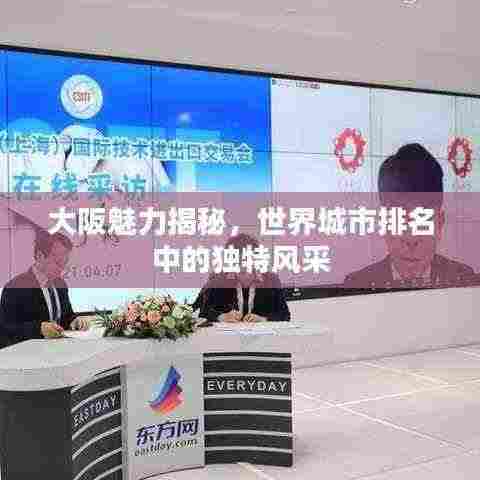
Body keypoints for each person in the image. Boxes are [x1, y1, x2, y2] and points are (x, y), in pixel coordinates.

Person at [344, 143, 474, 289]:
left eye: (422, 223)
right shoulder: (356, 285)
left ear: (439, 224)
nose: (411, 240)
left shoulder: (464, 279)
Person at [0, 231, 88, 348]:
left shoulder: (60, 284)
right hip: (29, 354)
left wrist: (74, 321)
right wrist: (39, 329)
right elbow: (5, 329)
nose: (63, 268)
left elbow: (66, 316)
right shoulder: (15, 288)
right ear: (39, 256)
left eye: (65, 262)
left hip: (60, 350)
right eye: (58, 262)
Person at [194, 234, 291, 322]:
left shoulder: (271, 280)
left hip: (262, 334)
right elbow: (204, 313)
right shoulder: (218, 280)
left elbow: (284, 315)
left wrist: (263, 319)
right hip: (227, 334)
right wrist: (222, 316)